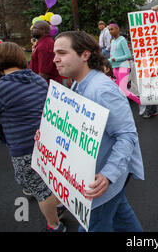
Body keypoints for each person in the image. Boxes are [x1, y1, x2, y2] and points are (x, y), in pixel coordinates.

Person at [53, 31, 144, 232]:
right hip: (95, 172)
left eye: (62, 53)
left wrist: (108, 174)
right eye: (55, 53)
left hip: (100, 179)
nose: (55, 59)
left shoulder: (101, 89)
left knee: (92, 226)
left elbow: (127, 135)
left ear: (85, 55)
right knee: (123, 218)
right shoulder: (78, 82)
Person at [0, 42, 66, 232]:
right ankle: (58, 205)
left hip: (23, 146)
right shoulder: (37, 79)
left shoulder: (0, 89)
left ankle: (54, 225)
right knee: (47, 179)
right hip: (46, 141)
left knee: (37, 187)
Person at [108, 22, 145, 116]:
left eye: (112, 29)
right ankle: (121, 110)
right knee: (116, 90)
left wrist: (115, 59)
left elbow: (128, 55)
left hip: (124, 66)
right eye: (109, 30)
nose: (110, 31)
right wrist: (108, 61)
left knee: (123, 90)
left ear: (117, 29)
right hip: (115, 67)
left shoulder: (122, 40)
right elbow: (112, 56)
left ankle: (141, 102)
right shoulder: (112, 41)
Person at [29, 20, 63, 85]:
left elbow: (43, 73)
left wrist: (34, 87)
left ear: (43, 30)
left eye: (35, 28)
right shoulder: (42, 43)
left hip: (45, 86)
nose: (32, 30)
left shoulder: (45, 45)